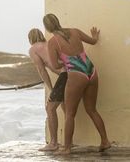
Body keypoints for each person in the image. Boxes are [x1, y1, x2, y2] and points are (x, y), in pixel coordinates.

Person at [43, 13, 110, 154]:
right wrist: (95, 36)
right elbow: (93, 41)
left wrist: (67, 61)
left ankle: (67, 148)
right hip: (91, 70)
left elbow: (55, 65)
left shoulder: (53, 42)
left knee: (69, 114)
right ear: (58, 21)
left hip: (76, 74)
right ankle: (105, 141)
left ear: (47, 27)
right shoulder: (75, 31)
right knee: (92, 109)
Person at [28, 28, 67, 151]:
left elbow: (42, 71)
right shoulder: (49, 43)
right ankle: (68, 141)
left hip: (65, 75)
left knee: (50, 108)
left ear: (30, 38)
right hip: (74, 72)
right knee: (65, 107)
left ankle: (53, 143)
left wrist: (50, 88)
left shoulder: (33, 49)